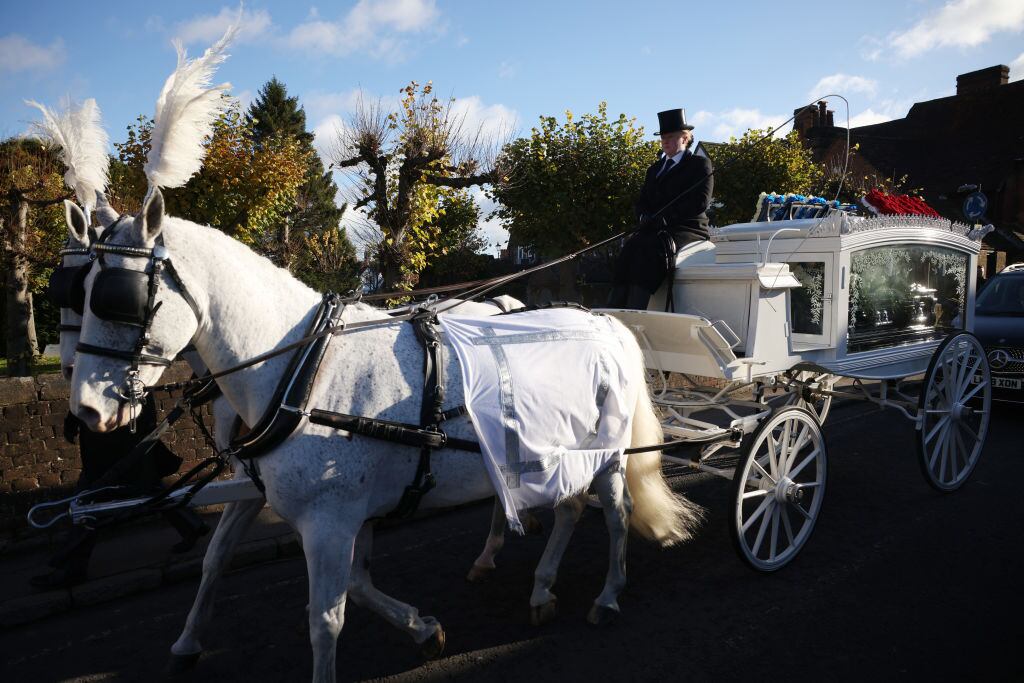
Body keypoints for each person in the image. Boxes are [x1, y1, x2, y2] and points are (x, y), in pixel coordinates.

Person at [30, 395, 209, 589]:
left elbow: (135, 390)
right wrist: (73, 419)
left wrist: (146, 430)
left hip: (119, 436)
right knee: (149, 491)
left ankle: (73, 569)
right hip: (107, 437)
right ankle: (191, 526)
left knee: (88, 501)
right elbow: (84, 389)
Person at [608, 108, 714, 309]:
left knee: (651, 248)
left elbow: (700, 202)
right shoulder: (654, 169)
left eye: (671, 137)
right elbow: (642, 201)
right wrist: (643, 216)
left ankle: (636, 307)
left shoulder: (699, 164)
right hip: (655, 229)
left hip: (687, 228)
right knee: (630, 248)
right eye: (663, 138)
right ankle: (615, 306)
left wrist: (666, 218)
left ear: (684, 138)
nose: (665, 142)